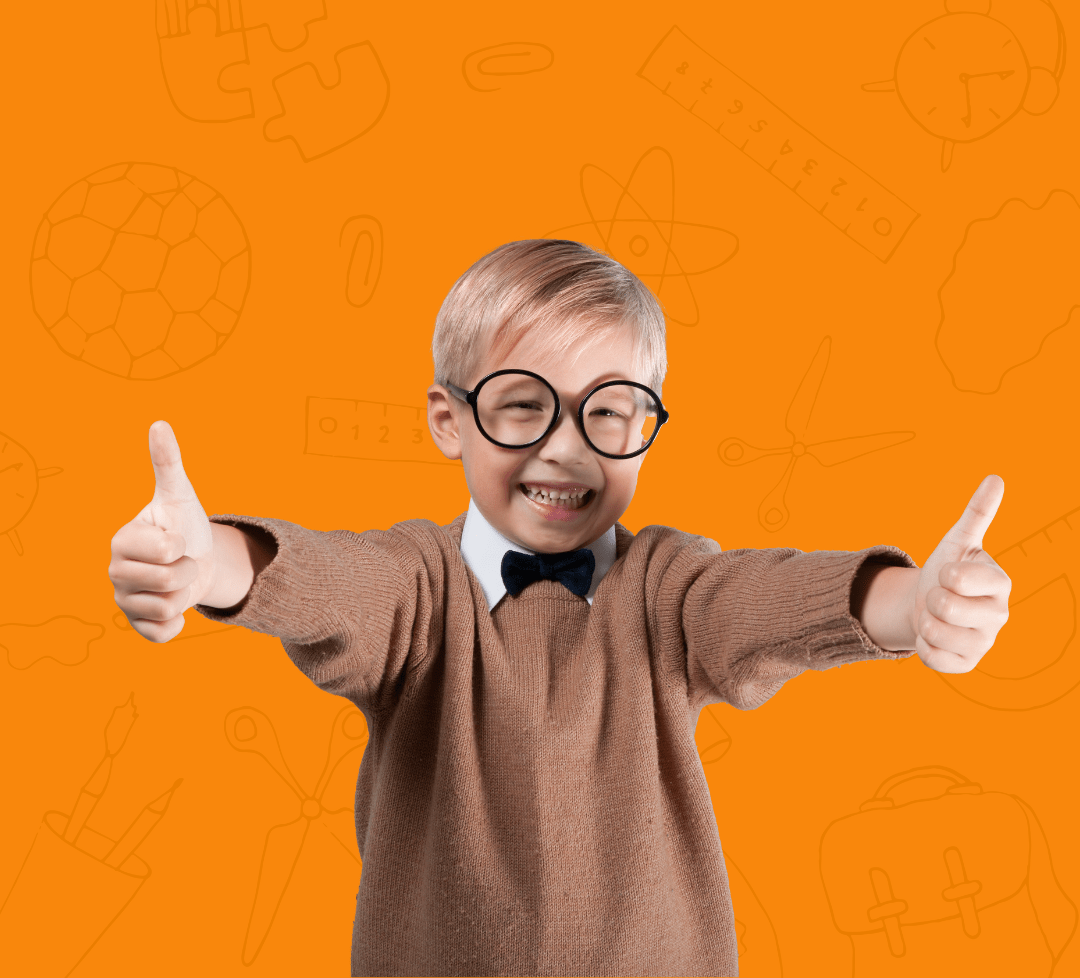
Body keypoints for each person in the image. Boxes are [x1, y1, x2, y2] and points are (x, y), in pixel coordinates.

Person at [109, 239, 1011, 977]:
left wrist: (909, 603)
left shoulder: (668, 586)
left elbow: (762, 602)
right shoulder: (418, 585)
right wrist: (214, 562)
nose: (567, 450)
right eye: (521, 407)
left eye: (609, 412)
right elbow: (334, 582)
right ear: (448, 420)